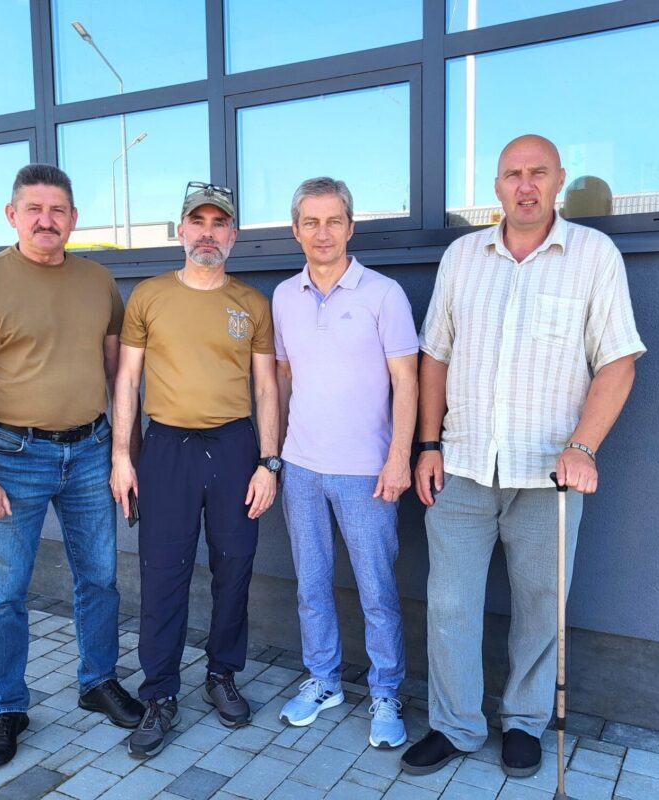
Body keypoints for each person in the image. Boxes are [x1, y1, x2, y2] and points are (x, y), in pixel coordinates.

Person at [401, 135, 646, 777]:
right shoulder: (462, 257)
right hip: (461, 464)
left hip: (548, 475)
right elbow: (435, 357)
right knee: (449, 605)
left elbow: (618, 360)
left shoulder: (593, 255)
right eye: (513, 174)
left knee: (542, 606)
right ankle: (456, 726)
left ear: (559, 180)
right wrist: (427, 444)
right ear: (497, 186)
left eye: (538, 172)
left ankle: (524, 722)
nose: (526, 185)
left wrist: (583, 445)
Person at [0, 164, 143, 768]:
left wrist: (123, 453)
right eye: (34, 209)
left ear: (74, 218)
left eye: (58, 210)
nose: (46, 220)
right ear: (13, 215)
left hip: (90, 451)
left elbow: (118, 375)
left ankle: (97, 681)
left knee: (100, 578)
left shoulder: (99, 281)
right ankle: (7, 706)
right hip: (12, 457)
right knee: (5, 593)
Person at [110, 181, 279, 759]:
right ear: (180, 230)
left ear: (234, 234)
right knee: (163, 573)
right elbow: (127, 380)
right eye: (198, 222)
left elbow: (267, 387)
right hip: (167, 449)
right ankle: (159, 693)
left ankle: (222, 674)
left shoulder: (252, 303)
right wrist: (122, 457)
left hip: (234, 448)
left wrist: (269, 462)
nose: (208, 233)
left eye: (219, 223)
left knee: (235, 566)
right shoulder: (148, 296)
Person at [272, 178, 418, 748]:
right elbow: (284, 378)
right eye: (311, 222)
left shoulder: (384, 294)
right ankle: (324, 680)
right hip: (301, 468)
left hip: (367, 472)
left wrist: (399, 458)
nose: (323, 232)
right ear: (296, 230)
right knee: (311, 585)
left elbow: (407, 381)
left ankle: (386, 691)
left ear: (351, 227)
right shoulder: (284, 296)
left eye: (334, 221)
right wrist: (275, 454)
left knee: (377, 591)